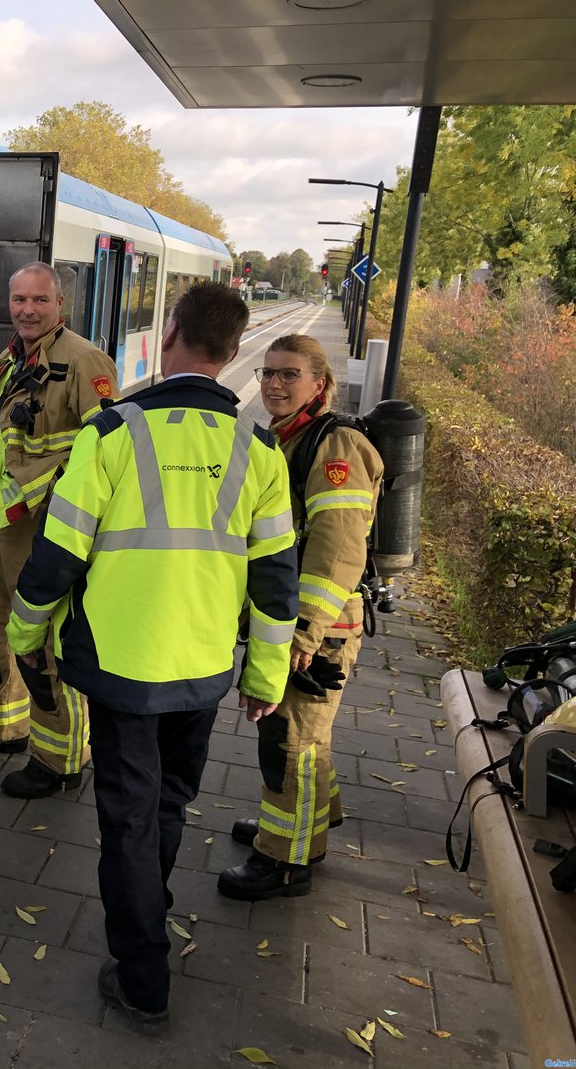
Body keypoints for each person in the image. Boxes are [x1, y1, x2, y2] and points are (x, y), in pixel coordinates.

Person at [6, 282, 297, 1029]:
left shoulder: (113, 435)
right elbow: (275, 579)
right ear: (235, 353)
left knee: (129, 818)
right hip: (201, 668)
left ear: (169, 337)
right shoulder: (258, 449)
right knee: (167, 804)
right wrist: (264, 675)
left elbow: (56, 556)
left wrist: (25, 633)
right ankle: (151, 906)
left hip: (121, 665)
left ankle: (141, 973)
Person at [218, 334, 383, 900]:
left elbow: (337, 549)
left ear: (320, 383)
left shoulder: (333, 446)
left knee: (291, 740)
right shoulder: (289, 438)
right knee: (306, 734)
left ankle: (286, 860)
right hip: (294, 619)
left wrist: (303, 631)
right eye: (267, 373)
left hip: (319, 625)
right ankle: (309, 818)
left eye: (289, 374)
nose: (273, 384)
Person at [0, 262, 120, 799]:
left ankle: (60, 759)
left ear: (60, 306)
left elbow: (106, 450)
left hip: (42, 523)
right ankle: (1, 726)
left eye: (39, 301)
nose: (27, 310)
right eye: (19, 300)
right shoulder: (12, 356)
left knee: (42, 644)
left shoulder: (84, 362)